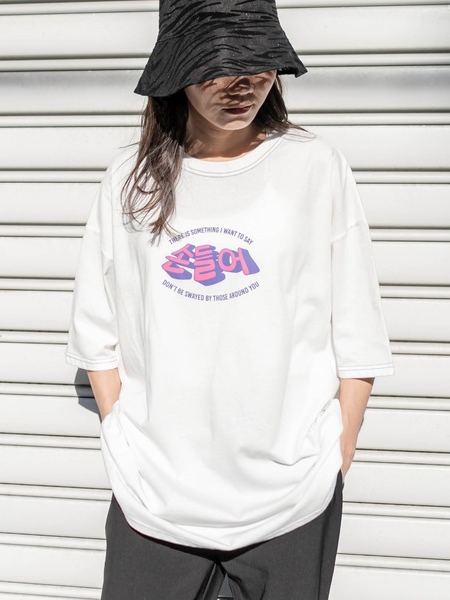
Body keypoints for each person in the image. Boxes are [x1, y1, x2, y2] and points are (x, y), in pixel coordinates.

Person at [65, 1, 395, 598]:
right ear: (176, 68)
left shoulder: (314, 166)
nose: (241, 84)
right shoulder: (130, 180)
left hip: (292, 499)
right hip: (154, 499)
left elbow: (358, 329)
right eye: (216, 66)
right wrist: (122, 440)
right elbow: (96, 329)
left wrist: (336, 453)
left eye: (258, 63)